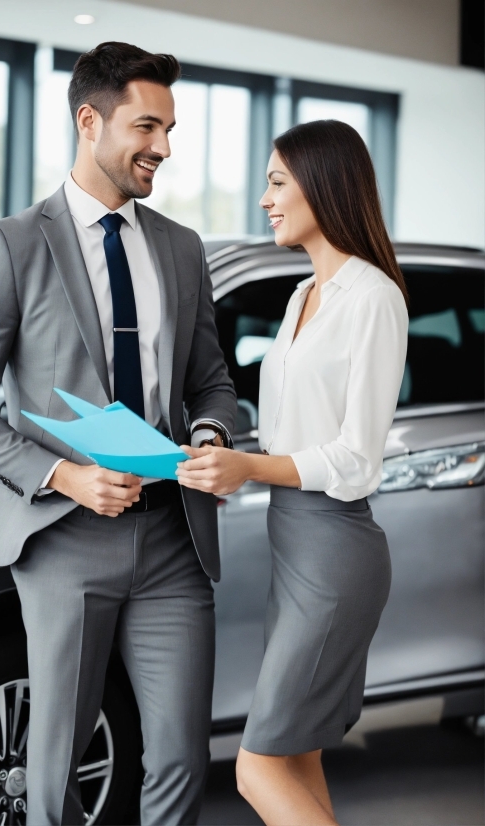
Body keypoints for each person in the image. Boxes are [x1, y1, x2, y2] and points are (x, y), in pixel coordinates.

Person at [0, 42, 236, 826]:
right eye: (147, 126)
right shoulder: (12, 245)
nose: (163, 148)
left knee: (178, 759)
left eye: (169, 130)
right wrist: (64, 477)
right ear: (89, 120)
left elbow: (211, 381)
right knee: (55, 766)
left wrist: (207, 434)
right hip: (65, 540)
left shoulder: (180, 247)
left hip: (173, 540)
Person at [177, 119, 409, 826]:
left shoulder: (372, 297)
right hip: (294, 545)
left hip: (336, 549)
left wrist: (248, 465)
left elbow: (354, 457)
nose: (264, 200)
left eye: (277, 182)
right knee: (298, 755)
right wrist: (219, 455)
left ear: (325, 183)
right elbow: (290, 428)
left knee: (257, 766)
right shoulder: (299, 296)